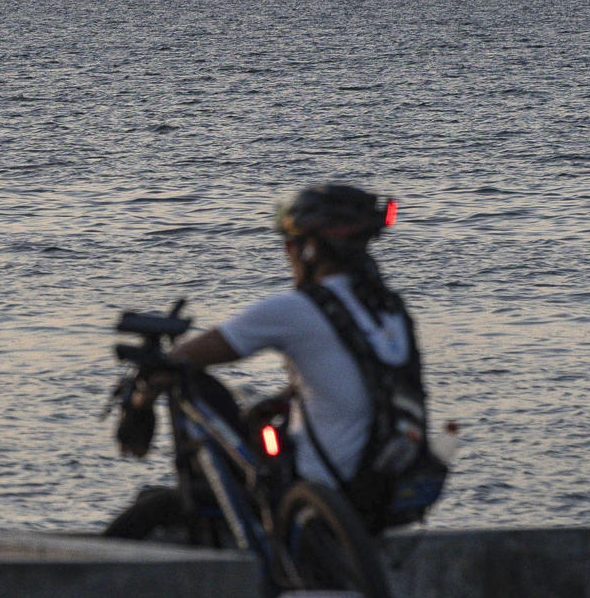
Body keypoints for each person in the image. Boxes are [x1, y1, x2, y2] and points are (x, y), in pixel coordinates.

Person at [168, 183, 428, 507]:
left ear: (311, 250)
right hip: (391, 485)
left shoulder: (297, 309)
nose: (287, 253)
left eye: (291, 244)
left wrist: (140, 396)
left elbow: (183, 359)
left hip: (327, 486)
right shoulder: (389, 308)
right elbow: (359, 379)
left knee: (199, 386)